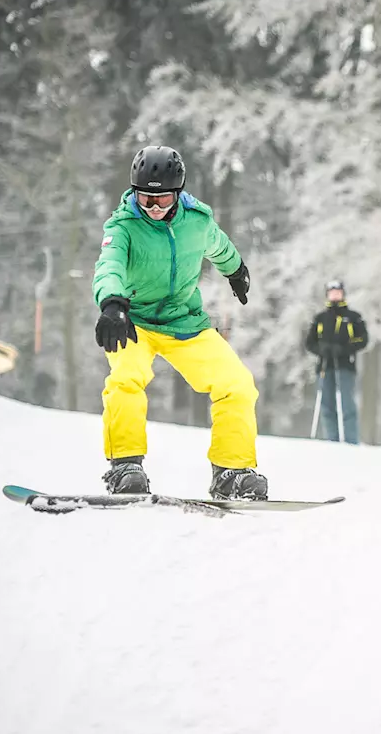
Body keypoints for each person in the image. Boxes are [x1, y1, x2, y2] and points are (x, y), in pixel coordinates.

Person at [92, 145, 267, 500]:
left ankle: (231, 471)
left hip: (184, 320)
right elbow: (108, 265)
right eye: (146, 199)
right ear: (134, 192)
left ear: (179, 192)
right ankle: (125, 467)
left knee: (236, 383)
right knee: (125, 379)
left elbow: (219, 245)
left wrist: (236, 270)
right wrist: (111, 303)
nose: (154, 208)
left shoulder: (197, 221)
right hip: (134, 320)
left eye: (163, 200)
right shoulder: (123, 226)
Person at [304, 280, 369, 443]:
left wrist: (344, 349)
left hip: (345, 365)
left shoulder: (353, 317)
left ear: (343, 294)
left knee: (347, 404)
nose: (335, 295)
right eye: (332, 292)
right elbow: (309, 342)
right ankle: (331, 439)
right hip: (325, 366)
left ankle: (351, 440)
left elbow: (363, 339)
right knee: (327, 404)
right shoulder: (320, 318)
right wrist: (321, 349)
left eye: (338, 292)